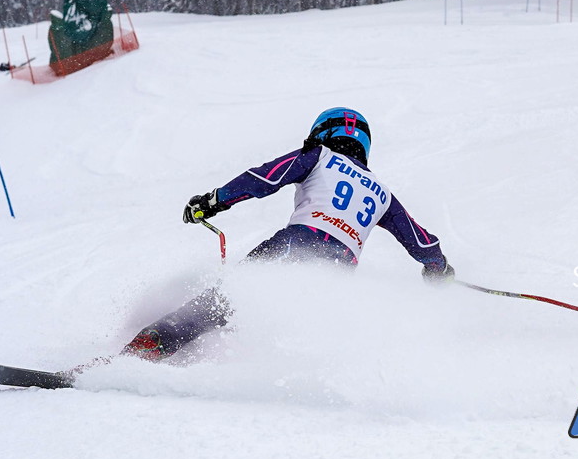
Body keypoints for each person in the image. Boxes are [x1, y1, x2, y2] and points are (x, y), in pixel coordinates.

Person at [120, 107, 454, 362]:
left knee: (229, 298)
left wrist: (213, 201)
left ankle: (156, 341)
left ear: (322, 132)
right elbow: (422, 241)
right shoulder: (383, 193)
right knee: (300, 315)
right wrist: (438, 269)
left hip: (299, 241)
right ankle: (268, 367)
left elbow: (265, 178)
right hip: (339, 266)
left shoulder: (319, 156)